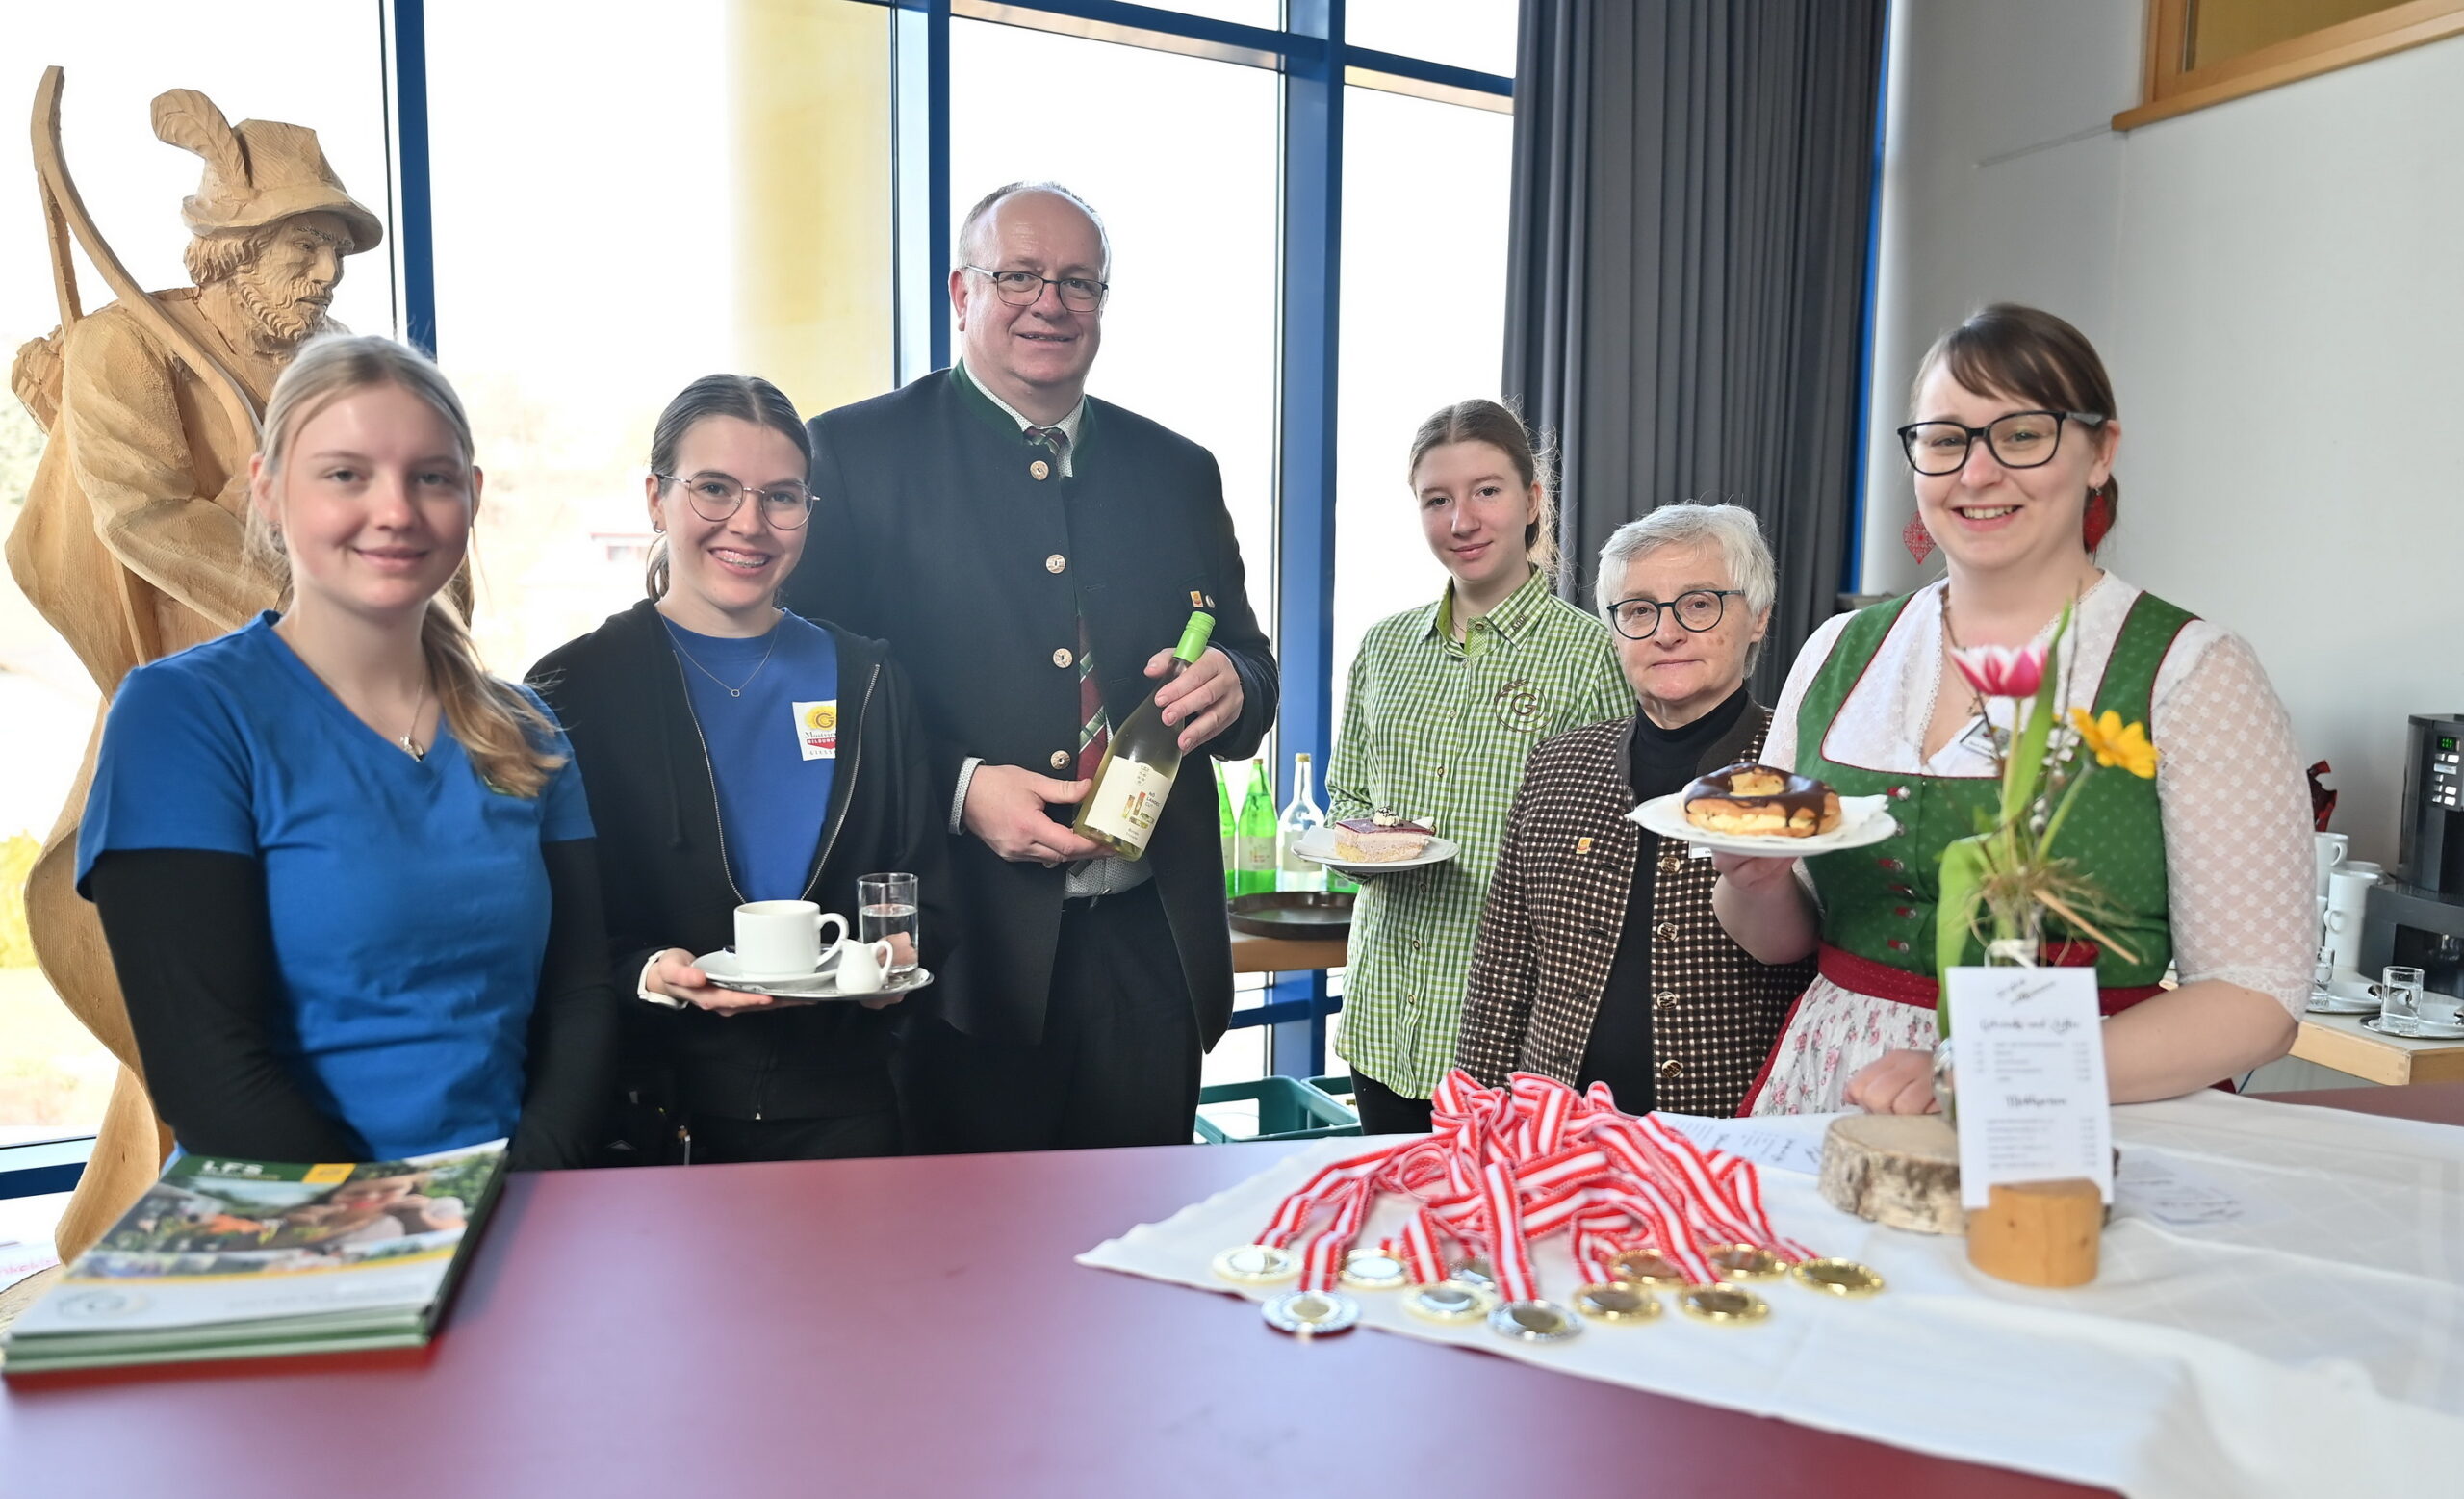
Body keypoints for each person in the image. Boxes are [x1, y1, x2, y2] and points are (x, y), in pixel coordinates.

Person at [1715, 304, 2310, 1115]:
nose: (1977, 472)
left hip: (2070, 1110)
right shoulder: (1840, 653)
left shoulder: (2191, 672)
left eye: (2022, 434)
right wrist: (1755, 884)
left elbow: (2257, 998)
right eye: (1946, 438)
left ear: (2101, 452)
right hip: (1833, 1092)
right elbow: (1782, 937)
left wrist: (1980, 1073)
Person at [785, 181, 1276, 1153]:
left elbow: (1252, 675)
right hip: (960, 962)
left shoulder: (1179, 469)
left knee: (1139, 1263)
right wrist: (959, 788)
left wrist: (1234, 678)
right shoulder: (851, 453)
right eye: (1018, 276)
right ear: (961, 294)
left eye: (1077, 282)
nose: (1048, 303)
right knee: (968, 1273)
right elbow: (812, 710)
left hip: (1151, 954)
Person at [76, 334, 615, 1168]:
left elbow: (581, 996)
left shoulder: (528, 730)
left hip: (507, 1207)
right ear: (268, 489)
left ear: (470, 497)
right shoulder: (184, 716)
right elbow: (207, 1069)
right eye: (345, 474)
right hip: (286, 1230)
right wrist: (399, 1229)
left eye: (430, 476)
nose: (396, 510)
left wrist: (521, 1188)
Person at [529, 375, 952, 1163]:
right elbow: (552, 933)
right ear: (656, 498)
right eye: (714, 489)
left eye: (781, 497)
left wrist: (896, 959)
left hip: (849, 1114)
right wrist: (648, 974)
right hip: (653, 1117)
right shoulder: (571, 690)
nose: (749, 525)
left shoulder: (870, 681)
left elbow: (924, 886)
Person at [1324, 401, 1631, 1134]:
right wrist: (1368, 850)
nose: (1462, 520)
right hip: (1383, 1021)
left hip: (1512, 1035)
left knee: (1497, 1243)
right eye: (1437, 499)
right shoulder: (1384, 648)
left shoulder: (1592, 655)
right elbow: (1348, 800)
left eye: (1486, 491)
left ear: (1531, 501)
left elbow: (1616, 852)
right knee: (1394, 1238)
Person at [1454, 504, 1816, 1116]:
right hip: (1555, 1133)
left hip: (1731, 1135)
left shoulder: (1798, 768)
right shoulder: (1558, 765)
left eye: (1699, 604)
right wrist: (1470, 1123)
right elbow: (1502, 970)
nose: (1667, 632)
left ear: (1759, 617)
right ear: (1615, 629)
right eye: (1639, 610)